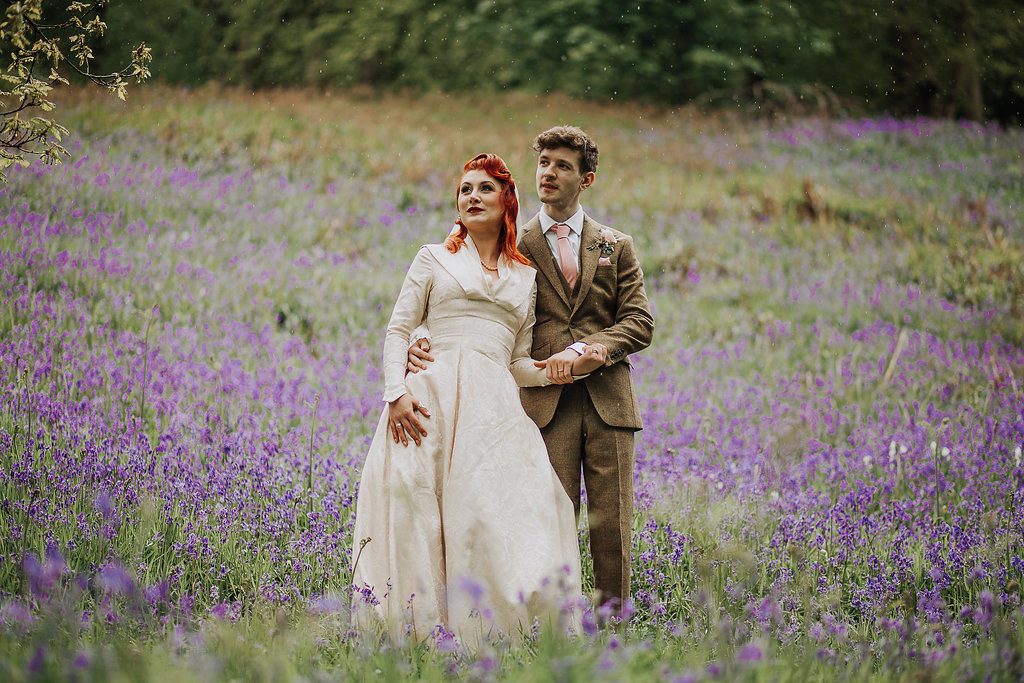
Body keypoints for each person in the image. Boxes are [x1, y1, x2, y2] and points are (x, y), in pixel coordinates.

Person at [351, 153, 607, 644]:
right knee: (419, 516)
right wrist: (395, 394)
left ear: (507, 200)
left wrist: (566, 369)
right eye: (465, 189)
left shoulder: (524, 276)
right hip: (428, 401)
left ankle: (495, 635)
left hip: (493, 410)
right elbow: (399, 328)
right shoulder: (433, 257)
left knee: (503, 509)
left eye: (484, 188)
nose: (472, 197)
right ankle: (415, 634)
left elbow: (517, 363)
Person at [409, 127, 655, 613]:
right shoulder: (513, 248)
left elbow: (639, 322)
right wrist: (422, 337)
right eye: (544, 163)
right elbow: (464, 293)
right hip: (543, 406)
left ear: (586, 179)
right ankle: (553, 628)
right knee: (545, 523)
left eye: (562, 165)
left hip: (609, 403)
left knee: (613, 526)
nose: (549, 172)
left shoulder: (615, 245)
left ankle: (615, 633)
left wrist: (592, 349)